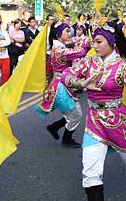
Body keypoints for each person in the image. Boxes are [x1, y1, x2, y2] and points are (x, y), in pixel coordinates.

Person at [61, 21, 126, 201]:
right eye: (93, 42)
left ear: (110, 42)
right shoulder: (88, 62)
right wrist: (81, 84)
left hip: (119, 124)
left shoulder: (124, 68)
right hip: (94, 124)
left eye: (98, 41)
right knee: (90, 172)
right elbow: (66, 75)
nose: (94, 45)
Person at [35, 19, 87, 148]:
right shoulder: (59, 50)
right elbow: (81, 51)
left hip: (60, 83)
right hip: (61, 86)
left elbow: (49, 66)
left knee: (70, 113)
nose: (70, 33)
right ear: (59, 34)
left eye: (70, 31)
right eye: (67, 31)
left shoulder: (56, 47)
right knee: (76, 114)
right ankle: (66, 138)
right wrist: (84, 41)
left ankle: (54, 127)